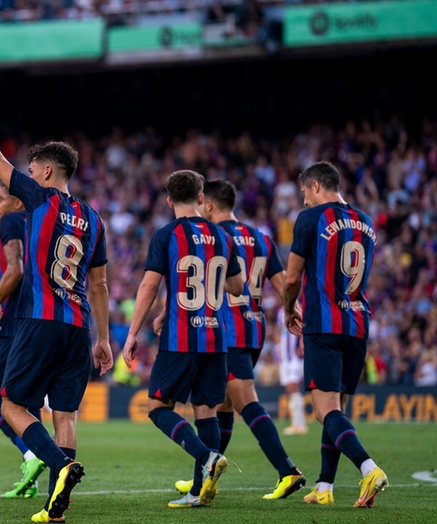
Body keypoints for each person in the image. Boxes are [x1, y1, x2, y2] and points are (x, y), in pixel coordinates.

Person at [0, 86, 113, 524]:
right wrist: (104, 339)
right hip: (80, 327)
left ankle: (60, 467)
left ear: (47, 171)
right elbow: (101, 284)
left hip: (40, 320)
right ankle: (57, 505)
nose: (25, 175)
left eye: (31, 169)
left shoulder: (40, 197)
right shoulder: (94, 219)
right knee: (66, 415)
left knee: (10, 405)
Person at [169, 179, 304, 500]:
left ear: (210, 205)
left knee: (244, 400)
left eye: (203, 205)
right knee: (222, 405)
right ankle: (204, 477)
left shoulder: (213, 237)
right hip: (253, 329)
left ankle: (287, 470)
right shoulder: (262, 238)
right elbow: (283, 282)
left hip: (226, 331)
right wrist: (289, 310)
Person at [122, 170, 244, 509]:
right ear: (202, 198)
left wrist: (133, 333)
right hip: (216, 338)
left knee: (158, 408)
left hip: (181, 338)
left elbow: (148, 286)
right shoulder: (223, 236)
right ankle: (198, 491)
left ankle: (206, 458)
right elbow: (236, 287)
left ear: (169, 200)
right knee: (206, 410)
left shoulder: (166, 235)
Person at [283, 161, 388, 508]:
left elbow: (292, 277)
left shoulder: (311, 219)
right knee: (337, 408)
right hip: (357, 324)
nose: (303, 200)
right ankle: (325, 486)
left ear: (315, 185)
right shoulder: (366, 221)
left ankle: (369, 468)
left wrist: (288, 308)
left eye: (304, 193)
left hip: (324, 324)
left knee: (324, 410)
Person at [0, 183, 45, 499]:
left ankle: (31, 455)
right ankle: (37, 475)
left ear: (18, 203)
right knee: (28, 403)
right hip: (41, 320)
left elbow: (15, 269)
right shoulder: (40, 225)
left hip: (14, 325)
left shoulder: (12, 221)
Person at [276, 307, 307, 435]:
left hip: (295, 358)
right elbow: (278, 331)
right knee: (289, 391)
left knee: (293, 387)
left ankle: (299, 424)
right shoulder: (280, 312)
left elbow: (304, 327)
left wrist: (301, 341)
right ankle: (297, 423)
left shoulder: (298, 307)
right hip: (284, 358)